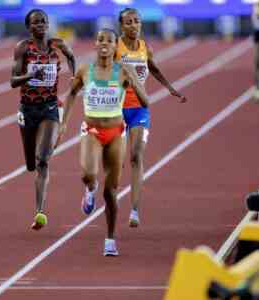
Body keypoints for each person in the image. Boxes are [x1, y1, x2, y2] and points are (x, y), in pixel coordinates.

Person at [58, 28, 150, 256]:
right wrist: (63, 123)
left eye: (109, 40)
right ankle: (90, 188)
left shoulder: (122, 71)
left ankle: (110, 238)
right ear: (95, 44)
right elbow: (70, 95)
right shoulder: (85, 70)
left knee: (111, 192)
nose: (104, 43)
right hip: (91, 130)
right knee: (88, 174)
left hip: (116, 133)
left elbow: (145, 101)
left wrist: (135, 82)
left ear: (115, 45)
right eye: (100, 39)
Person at [115, 8, 187, 227]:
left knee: (136, 157)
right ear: (121, 26)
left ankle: (135, 210)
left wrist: (170, 88)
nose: (134, 25)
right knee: (116, 162)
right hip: (115, 109)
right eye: (128, 22)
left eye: (137, 21)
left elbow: (154, 69)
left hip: (139, 109)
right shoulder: (114, 47)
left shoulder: (146, 48)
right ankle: (97, 191)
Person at [10, 8, 75, 230]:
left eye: (44, 21)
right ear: (29, 27)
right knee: (30, 164)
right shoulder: (23, 48)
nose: (41, 25)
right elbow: (13, 81)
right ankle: (33, 164)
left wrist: (74, 76)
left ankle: (39, 211)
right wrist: (30, 75)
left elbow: (72, 56)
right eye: (36, 22)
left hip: (49, 108)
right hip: (28, 110)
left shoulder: (58, 44)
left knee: (43, 160)